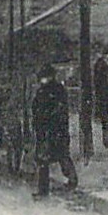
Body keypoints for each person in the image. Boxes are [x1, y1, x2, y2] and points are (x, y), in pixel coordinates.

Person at [30, 64, 78, 199]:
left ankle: (72, 179)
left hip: (56, 130)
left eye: (44, 77)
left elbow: (60, 110)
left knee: (61, 156)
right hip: (44, 131)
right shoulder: (41, 91)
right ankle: (43, 190)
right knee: (43, 160)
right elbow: (36, 108)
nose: (42, 80)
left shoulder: (58, 90)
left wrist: (48, 119)